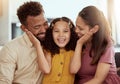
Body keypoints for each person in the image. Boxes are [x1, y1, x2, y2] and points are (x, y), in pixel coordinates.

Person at [0, 1, 48, 84]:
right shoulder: (10, 49)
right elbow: (4, 81)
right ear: (24, 28)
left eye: (45, 24)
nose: (43, 30)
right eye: (37, 27)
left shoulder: (53, 43)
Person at [71, 6, 120, 84]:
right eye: (76, 26)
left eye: (80, 28)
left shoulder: (106, 44)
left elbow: (98, 80)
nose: (76, 31)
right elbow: (73, 70)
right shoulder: (79, 41)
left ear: (94, 29)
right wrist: (79, 44)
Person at [25, 17, 78, 84]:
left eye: (65, 31)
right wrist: (37, 45)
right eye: (56, 31)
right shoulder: (48, 50)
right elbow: (46, 70)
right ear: (51, 33)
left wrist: (79, 43)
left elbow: (74, 70)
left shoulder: (75, 52)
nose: (61, 35)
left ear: (71, 33)